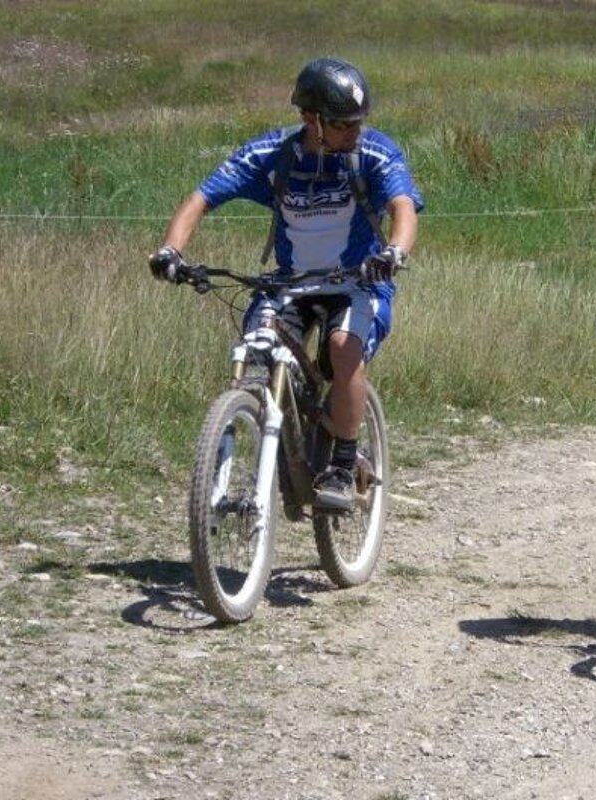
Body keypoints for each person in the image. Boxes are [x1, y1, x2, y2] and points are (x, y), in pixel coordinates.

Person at [149, 57, 422, 512]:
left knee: (341, 347)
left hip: (357, 283)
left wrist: (394, 252)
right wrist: (171, 252)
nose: (353, 131)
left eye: (358, 121)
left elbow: (402, 207)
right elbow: (201, 198)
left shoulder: (373, 153)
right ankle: (269, 445)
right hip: (289, 285)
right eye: (340, 124)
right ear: (310, 119)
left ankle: (339, 461)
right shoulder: (272, 155)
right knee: (258, 347)